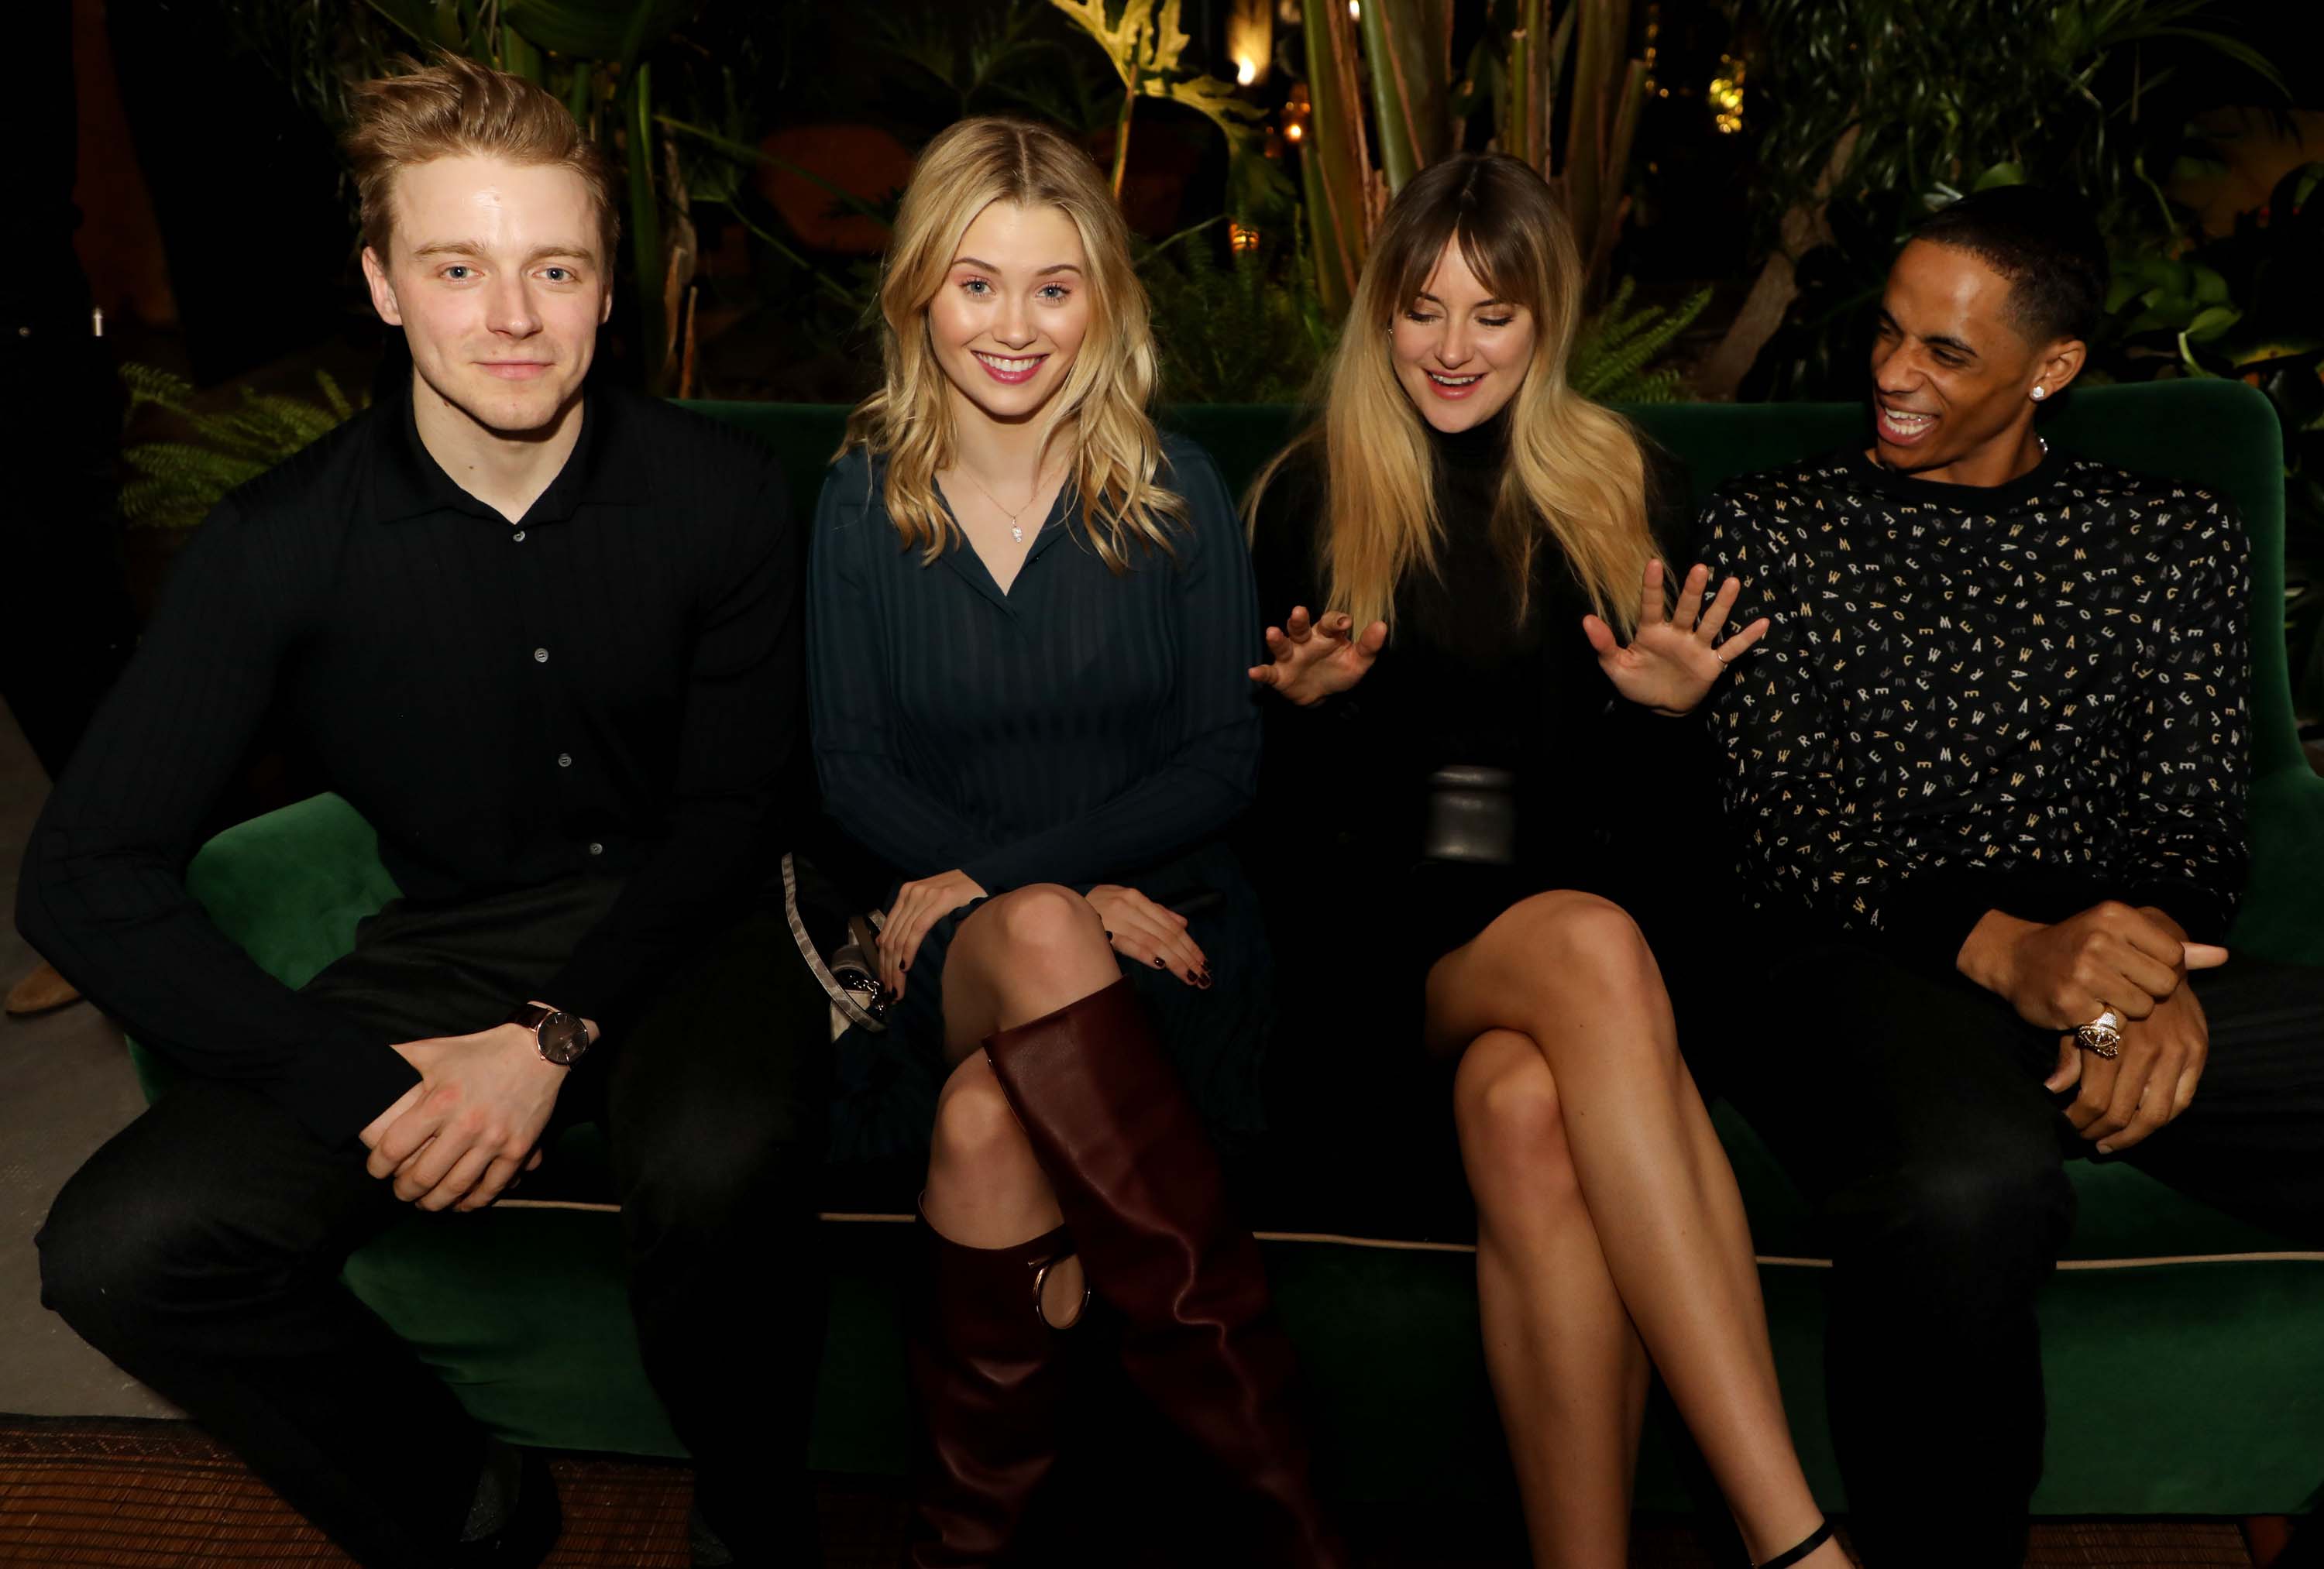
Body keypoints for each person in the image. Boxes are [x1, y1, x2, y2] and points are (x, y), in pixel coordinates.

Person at [24, 55, 829, 1569]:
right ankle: (464, 1498)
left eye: (555, 267)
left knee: (721, 1154)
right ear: (384, 283)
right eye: (460, 266)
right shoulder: (278, 548)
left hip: (686, 911)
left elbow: (734, 813)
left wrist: (551, 1037)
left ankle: (752, 1506)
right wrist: (359, 1082)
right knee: (118, 1248)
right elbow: (81, 876)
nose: (513, 318)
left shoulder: (718, 495)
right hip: (452, 929)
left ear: (607, 288)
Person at [1697, 184, 2324, 1568]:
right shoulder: (1774, 530)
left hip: (2091, 967)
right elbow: (1781, 823)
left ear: (2053, 369)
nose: (1892, 374)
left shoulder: (2171, 540)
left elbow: (2194, 824)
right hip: (1856, 965)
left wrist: (2129, 976)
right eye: (1890, 333)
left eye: (1946, 354)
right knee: (1967, 1188)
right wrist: (2004, 952)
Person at [1242, 153, 1844, 1569]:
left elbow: (1688, 852)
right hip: (1385, 970)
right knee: (1584, 943)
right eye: (1423, 308)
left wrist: (1672, 721)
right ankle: (1797, 1537)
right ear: (1377, 313)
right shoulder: (1308, 496)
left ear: (1546, 322)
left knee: (1527, 1108)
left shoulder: (1631, 488)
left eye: (1493, 314)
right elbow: (1276, 854)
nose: (1453, 349)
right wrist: (1310, 724)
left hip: (1595, 973)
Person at [806, 115, 1340, 1567]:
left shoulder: (1175, 491)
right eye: (977, 283)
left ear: (1105, 297)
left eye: (1055, 286)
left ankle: (971, 1542)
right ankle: (1284, 1506)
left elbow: (1225, 757)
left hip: (1166, 931)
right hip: (944, 950)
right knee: (1038, 933)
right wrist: (1050, 887)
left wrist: (1034, 877)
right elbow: (848, 768)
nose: (1014, 325)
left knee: (987, 1123)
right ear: (920, 290)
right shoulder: (865, 498)